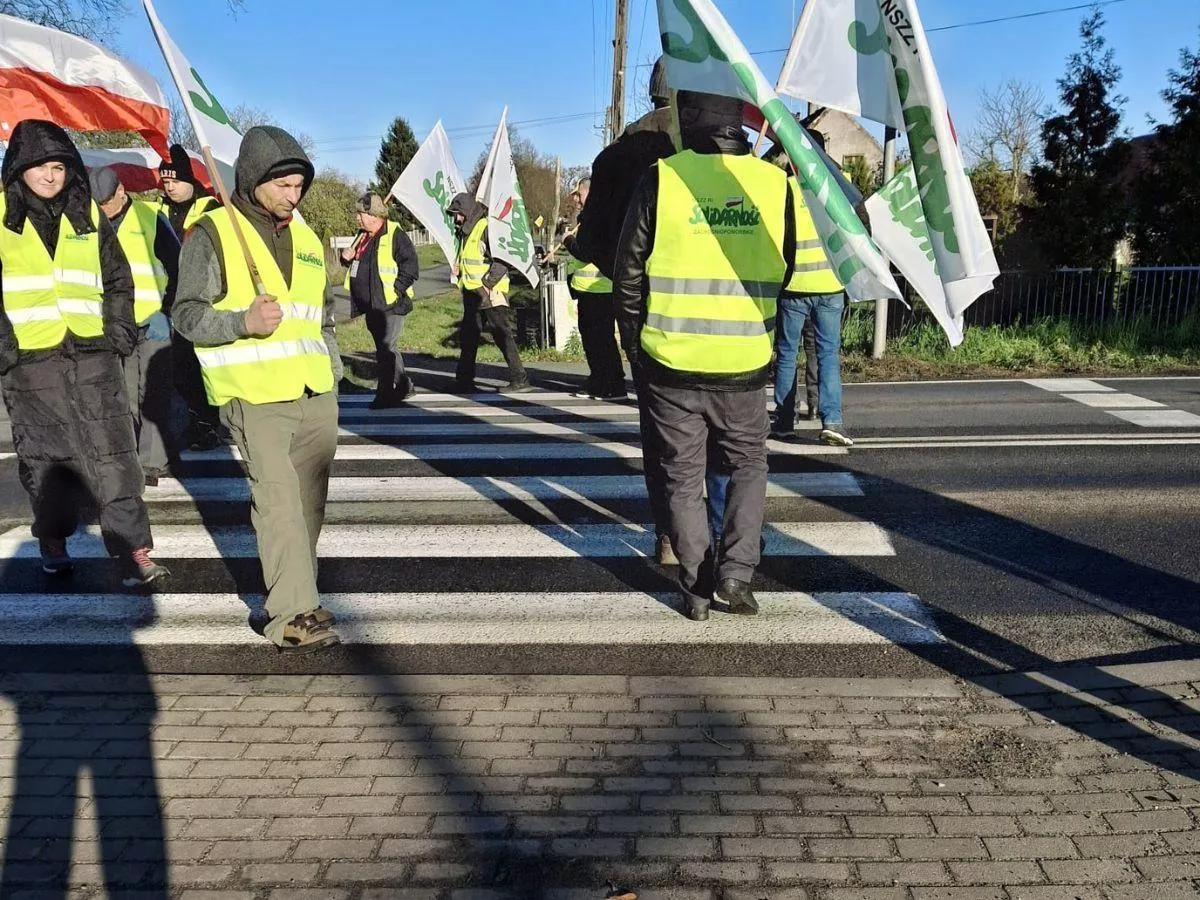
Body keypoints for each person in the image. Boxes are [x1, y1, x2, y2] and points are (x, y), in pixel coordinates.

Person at [614, 90, 796, 623]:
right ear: (737, 122)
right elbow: (782, 271)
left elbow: (627, 273)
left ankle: (695, 587)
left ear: (687, 121)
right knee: (747, 468)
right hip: (743, 364)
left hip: (669, 364)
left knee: (681, 475)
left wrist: (634, 348)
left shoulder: (663, 177)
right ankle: (736, 577)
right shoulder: (773, 183)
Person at [173, 126, 342, 653]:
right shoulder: (214, 232)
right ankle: (289, 613)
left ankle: (301, 589)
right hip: (254, 394)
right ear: (253, 180)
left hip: (314, 392)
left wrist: (333, 370)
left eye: (299, 186)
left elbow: (323, 315)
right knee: (278, 501)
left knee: (309, 503)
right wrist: (242, 321)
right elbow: (185, 315)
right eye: (283, 185)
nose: (293, 196)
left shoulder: (308, 237)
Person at [0, 119, 169, 586]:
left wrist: (117, 334)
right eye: (38, 167)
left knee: (115, 455)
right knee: (48, 462)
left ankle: (134, 548)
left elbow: (119, 280)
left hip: (94, 356)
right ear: (18, 170)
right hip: (30, 366)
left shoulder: (87, 214)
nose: (50, 176)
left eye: (58, 166)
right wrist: (5, 350)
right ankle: (53, 541)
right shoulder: (0, 218)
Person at [89, 166, 180, 485]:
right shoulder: (89, 223)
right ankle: (140, 456)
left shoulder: (151, 217)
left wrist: (167, 312)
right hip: (117, 323)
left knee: (153, 392)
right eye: (96, 203)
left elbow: (178, 268)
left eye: (105, 202)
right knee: (125, 395)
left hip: (153, 320)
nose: (101, 209)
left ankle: (153, 463)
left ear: (121, 192)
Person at [771, 132, 853, 447]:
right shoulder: (841, 184)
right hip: (831, 283)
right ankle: (831, 420)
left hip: (794, 284)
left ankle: (784, 421)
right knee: (828, 353)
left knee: (788, 353)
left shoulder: (787, 187)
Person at [158, 144, 223, 452]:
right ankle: (188, 424)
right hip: (164, 301)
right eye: (165, 181)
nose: (169, 186)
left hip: (202, 300)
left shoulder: (210, 209)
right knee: (176, 370)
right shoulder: (157, 211)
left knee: (201, 367)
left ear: (190, 180)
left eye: (175, 180)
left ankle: (209, 422)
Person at [340, 192, 419, 409]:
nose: (358, 218)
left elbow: (410, 266)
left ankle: (384, 395)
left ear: (374, 215)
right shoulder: (363, 235)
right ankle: (405, 386)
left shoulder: (395, 234)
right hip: (371, 306)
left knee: (385, 349)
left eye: (361, 214)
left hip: (391, 304)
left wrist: (396, 290)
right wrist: (344, 258)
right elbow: (357, 263)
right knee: (387, 348)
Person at [446, 192, 530, 394]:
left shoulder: (485, 228)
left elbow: (502, 261)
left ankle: (520, 379)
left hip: (490, 293)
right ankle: (464, 380)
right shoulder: (467, 232)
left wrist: (486, 284)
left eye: (458, 214)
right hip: (473, 293)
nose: (456, 218)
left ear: (466, 212)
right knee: (469, 337)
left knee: (502, 336)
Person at [563, 178, 626, 400]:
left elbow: (585, 252)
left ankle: (608, 384)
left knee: (600, 340)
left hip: (598, 289)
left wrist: (568, 241)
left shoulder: (595, 218)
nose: (576, 200)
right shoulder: (594, 217)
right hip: (593, 289)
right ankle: (605, 381)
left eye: (578, 195)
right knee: (597, 340)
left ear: (589, 193)